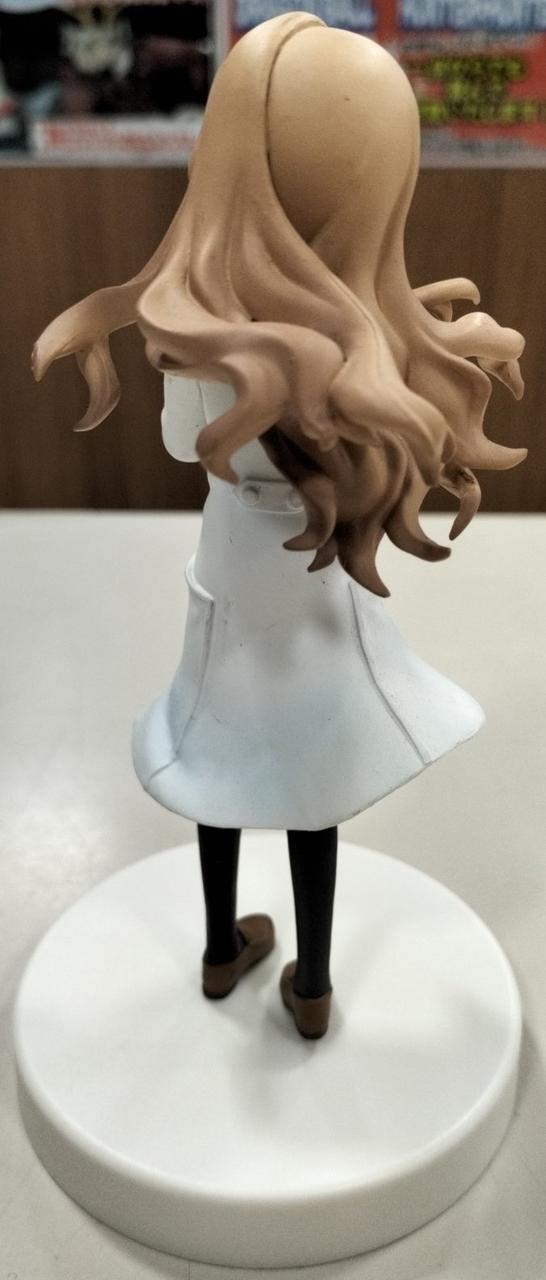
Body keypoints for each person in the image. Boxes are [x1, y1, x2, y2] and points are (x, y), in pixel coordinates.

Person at [33, 12, 525, 1038]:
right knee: (314, 780)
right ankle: (312, 982)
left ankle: (221, 947)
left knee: (214, 757)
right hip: (313, 583)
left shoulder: (204, 331)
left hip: (235, 570)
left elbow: (183, 443)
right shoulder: (370, 340)